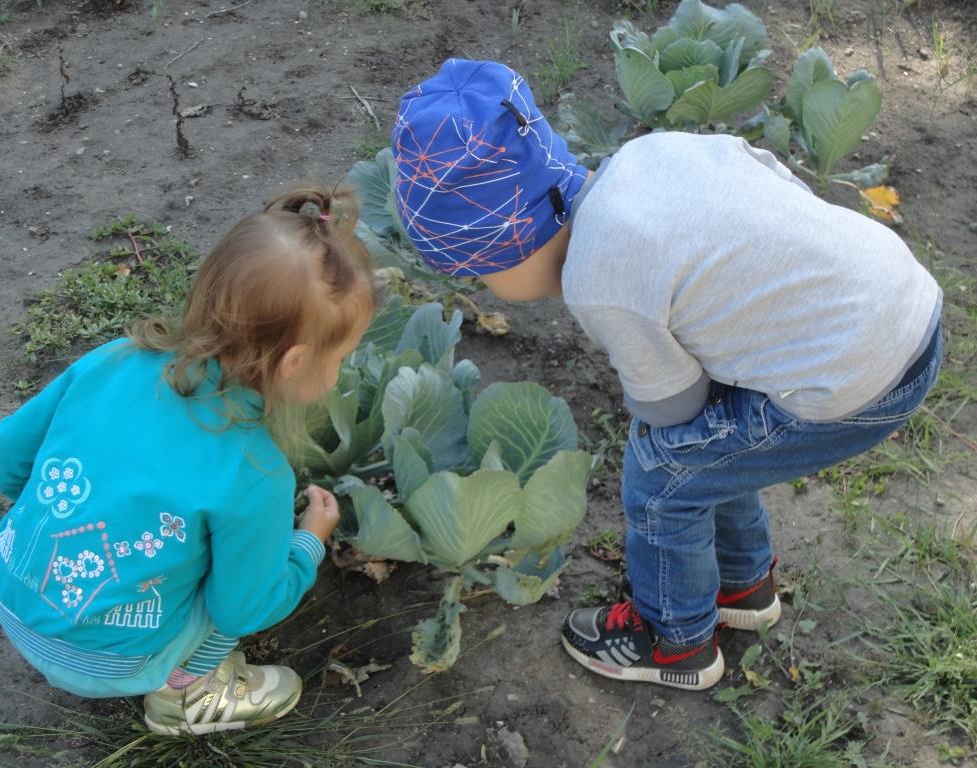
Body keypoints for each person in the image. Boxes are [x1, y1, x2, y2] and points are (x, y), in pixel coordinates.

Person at [389, 59, 942, 690]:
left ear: (507, 244)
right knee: (718, 446)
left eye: (479, 272)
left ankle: (675, 642)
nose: (486, 288)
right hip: (901, 301)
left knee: (664, 473)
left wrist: (661, 415)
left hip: (856, 380)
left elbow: (674, 407)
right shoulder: (650, 156)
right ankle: (743, 585)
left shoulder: (601, 277)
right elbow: (774, 183)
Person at [0, 186, 376, 732]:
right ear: (294, 362)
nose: (339, 374)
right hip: (110, 662)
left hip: (8, 589)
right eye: (341, 358)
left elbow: (8, 455)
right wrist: (307, 542)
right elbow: (246, 609)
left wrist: (55, 514)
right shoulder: (255, 470)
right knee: (236, 586)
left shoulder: (114, 358)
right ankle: (184, 697)